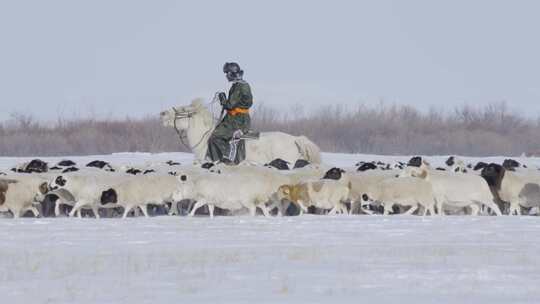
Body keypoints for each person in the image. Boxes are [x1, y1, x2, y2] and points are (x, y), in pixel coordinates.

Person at [206, 62, 253, 164]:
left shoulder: (240, 86)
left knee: (215, 137)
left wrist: (223, 99)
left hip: (238, 120)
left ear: (232, 73)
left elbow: (230, 105)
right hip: (234, 118)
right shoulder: (239, 85)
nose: (226, 76)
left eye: (227, 73)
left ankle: (227, 159)